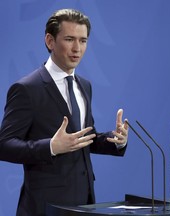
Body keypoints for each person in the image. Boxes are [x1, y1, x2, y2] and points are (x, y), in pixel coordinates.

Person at [0, 9, 129, 216]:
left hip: (84, 203)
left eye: (83, 40)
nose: (77, 48)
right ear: (50, 41)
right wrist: (51, 146)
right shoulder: (26, 88)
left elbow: (83, 138)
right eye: (69, 39)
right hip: (45, 206)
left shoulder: (84, 86)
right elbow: (4, 145)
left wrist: (116, 140)